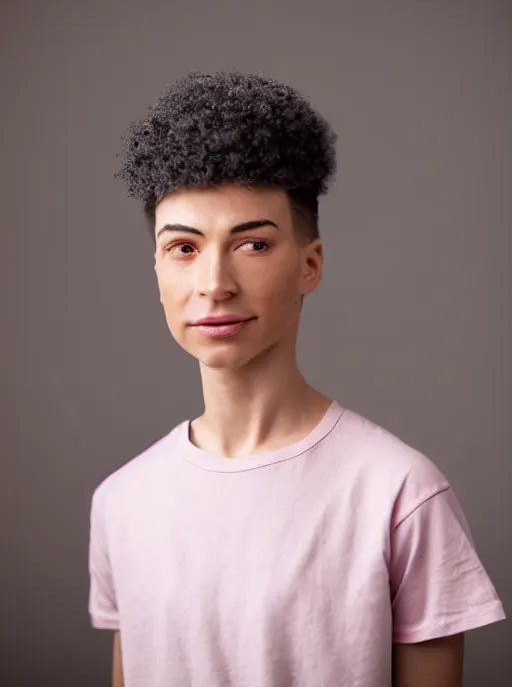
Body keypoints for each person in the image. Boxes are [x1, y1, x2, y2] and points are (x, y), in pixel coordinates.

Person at [88, 70, 506, 687]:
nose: (214, 283)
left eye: (252, 244)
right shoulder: (121, 503)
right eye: (183, 248)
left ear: (309, 265)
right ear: (157, 269)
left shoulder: (399, 496)